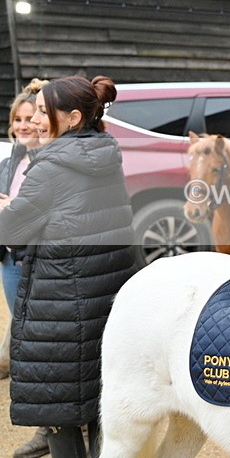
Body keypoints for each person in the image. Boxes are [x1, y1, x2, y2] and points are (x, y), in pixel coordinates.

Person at [0, 75, 138, 458]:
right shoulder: (105, 155)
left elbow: (10, 230)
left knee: (60, 405)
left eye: (44, 112)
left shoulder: (50, 168)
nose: (36, 120)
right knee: (99, 407)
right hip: (104, 296)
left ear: (74, 117)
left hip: (60, 302)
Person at [0, 78, 50, 458]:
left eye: (31, 118)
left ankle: (50, 428)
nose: (23, 126)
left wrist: (11, 209)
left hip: (38, 261)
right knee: (23, 341)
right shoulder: (10, 161)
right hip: (10, 261)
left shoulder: (51, 161)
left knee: (40, 347)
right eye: (18, 120)